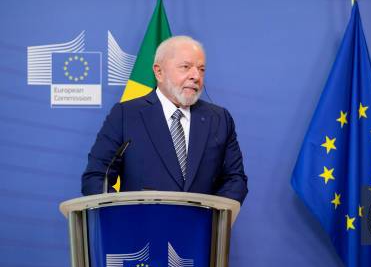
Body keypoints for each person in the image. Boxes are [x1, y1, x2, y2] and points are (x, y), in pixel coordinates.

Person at [81, 35, 248, 204]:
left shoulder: (219, 119)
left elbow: (235, 180)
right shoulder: (126, 115)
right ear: (159, 72)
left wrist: (214, 216)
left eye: (201, 69)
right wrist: (123, 217)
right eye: (186, 67)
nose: (196, 76)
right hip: (140, 226)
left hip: (201, 227)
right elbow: (97, 177)